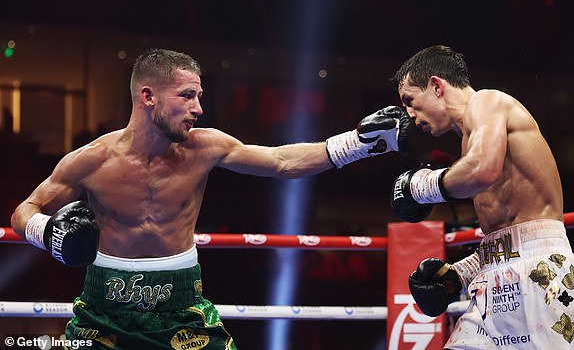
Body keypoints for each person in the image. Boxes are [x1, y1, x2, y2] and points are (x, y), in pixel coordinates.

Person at [10, 48, 415, 349]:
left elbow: (281, 161)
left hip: (182, 307)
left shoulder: (203, 148)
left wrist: (357, 145)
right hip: (104, 310)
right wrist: (49, 233)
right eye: (186, 96)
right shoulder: (92, 160)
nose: (198, 108)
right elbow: (23, 211)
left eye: (199, 96)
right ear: (147, 97)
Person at [389, 45, 572, 349]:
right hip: (495, 278)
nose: (408, 114)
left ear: (436, 85)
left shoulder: (488, 101)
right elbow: (507, 234)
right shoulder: (469, 142)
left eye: (410, 100)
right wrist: (460, 274)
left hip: (541, 272)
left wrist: (420, 187)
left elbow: (482, 171)